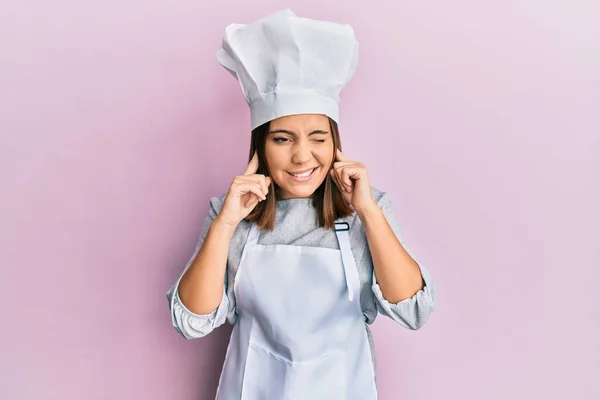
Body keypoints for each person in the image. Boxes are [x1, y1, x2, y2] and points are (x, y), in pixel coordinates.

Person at [167, 9, 436, 399]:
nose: (302, 156)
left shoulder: (367, 208)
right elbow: (191, 321)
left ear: (335, 143)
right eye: (282, 139)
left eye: (317, 137)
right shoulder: (231, 214)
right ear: (260, 145)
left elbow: (414, 310)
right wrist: (226, 222)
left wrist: (368, 212)